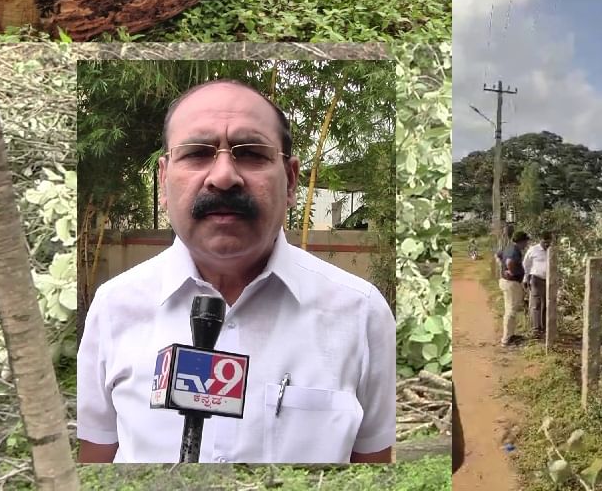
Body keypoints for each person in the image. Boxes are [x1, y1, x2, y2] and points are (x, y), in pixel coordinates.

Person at [76, 79, 395, 463]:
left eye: (251, 154)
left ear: (291, 180)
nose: (224, 176)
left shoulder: (360, 313)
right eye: (196, 153)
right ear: (163, 180)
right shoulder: (114, 306)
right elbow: (93, 462)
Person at [498, 231, 528, 346]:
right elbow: (509, 261)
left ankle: (510, 334)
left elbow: (498, 255)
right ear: (521, 241)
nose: (526, 244)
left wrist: (503, 268)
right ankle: (506, 339)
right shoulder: (514, 250)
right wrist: (511, 271)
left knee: (510, 310)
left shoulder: (508, 248)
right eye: (525, 241)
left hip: (507, 282)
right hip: (512, 283)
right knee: (511, 311)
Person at [523, 231, 552, 340]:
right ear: (541, 240)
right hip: (536, 278)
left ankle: (544, 328)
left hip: (549, 280)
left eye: (548, 242)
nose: (546, 245)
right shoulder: (533, 250)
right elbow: (526, 264)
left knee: (546, 304)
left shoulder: (552, 250)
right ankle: (535, 329)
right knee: (536, 303)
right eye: (545, 242)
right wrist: (525, 278)